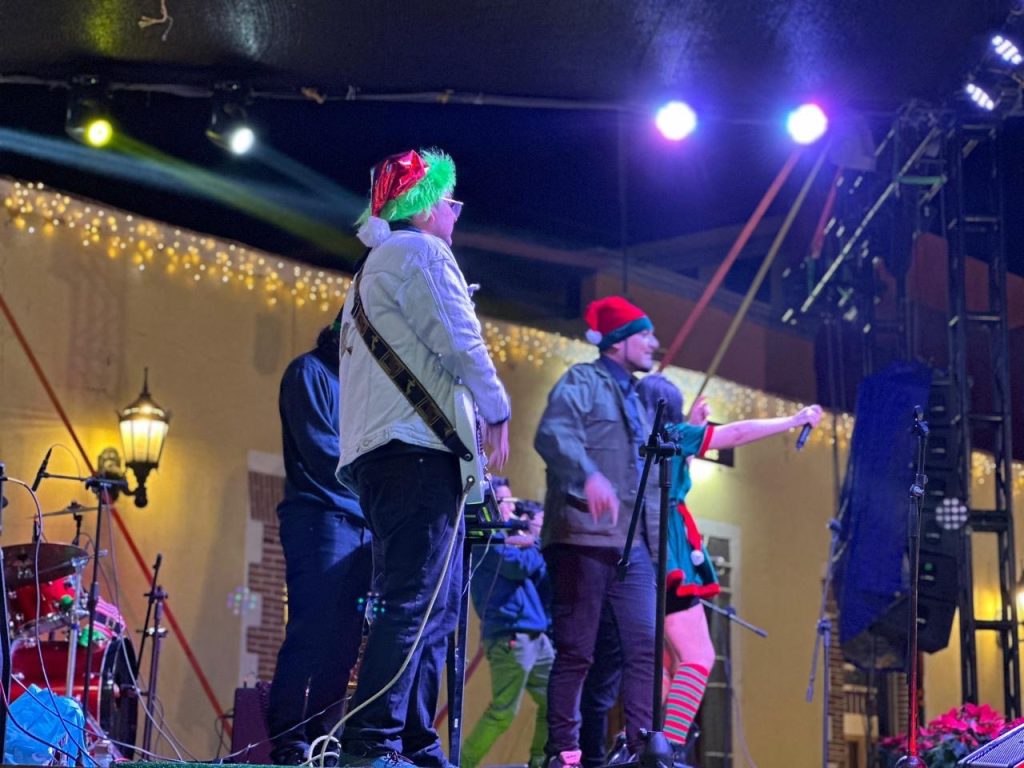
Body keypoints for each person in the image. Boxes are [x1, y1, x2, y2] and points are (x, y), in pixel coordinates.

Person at [534, 296, 821, 768]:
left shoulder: (644, 412)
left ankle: (643, 745)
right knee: (614, 654)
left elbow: (686, 450)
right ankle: (604, 748)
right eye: (645, 334)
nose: (654, 343)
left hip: (635, 546)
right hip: (618, 542)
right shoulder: (596, 391)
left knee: (649, 656)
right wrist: (589, 475)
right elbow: (556, 433)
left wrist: (695, 428)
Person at [335, 148, 511, 768]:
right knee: (416, 601)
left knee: (428, 605)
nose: (456, 213)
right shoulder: (422, 254)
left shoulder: (371, 270)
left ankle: (413, 739)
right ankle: (373, 740)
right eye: (451, 201)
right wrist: (497, 407)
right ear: (427, 206)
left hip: (387, 454)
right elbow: (460, 341)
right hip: (416, 453)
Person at [267, 316, 373, 766]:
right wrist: (381, 476)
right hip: (320, 518)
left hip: (360, 523)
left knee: (345, 643)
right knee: (311, 632)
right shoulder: (307, 372)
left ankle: (322, 740)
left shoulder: (359, 388)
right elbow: (322, 450)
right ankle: (289, 740)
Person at [461, 477, 554, 768]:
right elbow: (517, 566)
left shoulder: (513, 538)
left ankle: (541, 761)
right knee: (503, 712)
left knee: (556, 703)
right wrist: (537, 541)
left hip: (536, 634)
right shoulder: (486, 537)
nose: (512, 510)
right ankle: (461, 763)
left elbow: (539, 576)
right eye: (505, 502)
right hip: (509, 636)